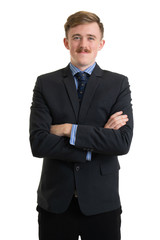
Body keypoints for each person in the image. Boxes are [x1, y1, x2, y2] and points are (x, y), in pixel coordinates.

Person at [30, 11, 133, 240]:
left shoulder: (118, 84)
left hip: (102, 203)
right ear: (66, 42)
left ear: (101, 43)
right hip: (55, 202)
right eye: (76, 37)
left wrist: (68, 129)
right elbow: (38, 143)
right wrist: (97, 140)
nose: (83, 45)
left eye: (90, 38)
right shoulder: (46, 84)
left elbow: (122, 142)